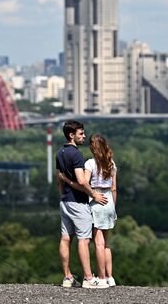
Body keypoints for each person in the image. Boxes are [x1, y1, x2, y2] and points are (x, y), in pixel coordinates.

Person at [55, 120, 108, 289]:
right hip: (78, 202)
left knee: (65, 238)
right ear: (72, 135)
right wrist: (93, 194)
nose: (84, 136)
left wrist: (63, 193)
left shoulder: (60, 153)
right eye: (81, 134)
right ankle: (89, 277)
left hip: (64, 201)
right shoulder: (76, 155)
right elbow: (81, 180)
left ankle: (67, 277)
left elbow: (59, 179)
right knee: (83, 240)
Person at [84, 133, 118, 287]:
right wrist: (114, 208)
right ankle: (110, 277)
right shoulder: (111, 163)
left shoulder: (90, 163)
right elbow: (114, 188)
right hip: (110, 200)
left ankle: (101, 278)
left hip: (97, 199)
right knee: (106, 243)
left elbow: (84, 182)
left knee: (98, 242)